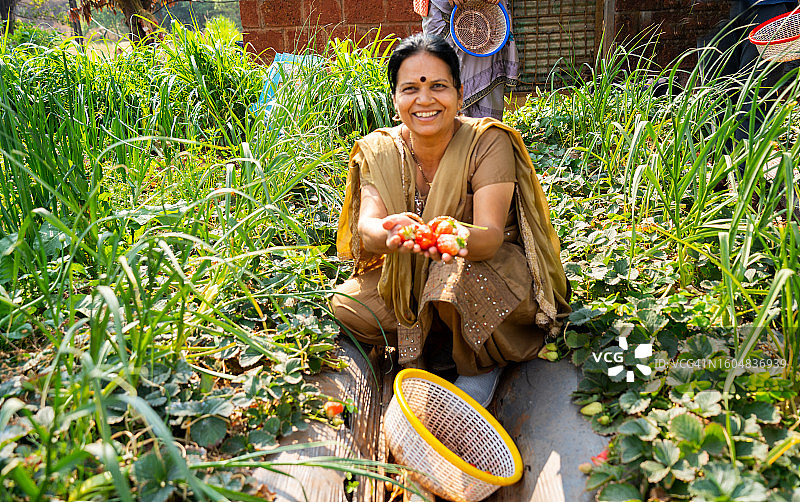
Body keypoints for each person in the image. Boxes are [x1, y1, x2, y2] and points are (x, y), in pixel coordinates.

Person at [331, 34, 570, 407]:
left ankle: (480, 365)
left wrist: (455, 237)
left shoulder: (487, 142)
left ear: (459, 95)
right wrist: (391, 233)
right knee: (349, 306)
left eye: (438, 86)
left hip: (486, 269)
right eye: (410, 88)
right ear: (395, 101)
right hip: (411, 268)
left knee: (448, 279)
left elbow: (490, 237)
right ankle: (438, 340)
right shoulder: (379, 149)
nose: (424, 99)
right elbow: (368, 227)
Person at [420, 0, 519, 120]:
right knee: (443, 77)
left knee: (486, 52)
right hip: (443, 8)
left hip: (488, 8)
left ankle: (485, 135)